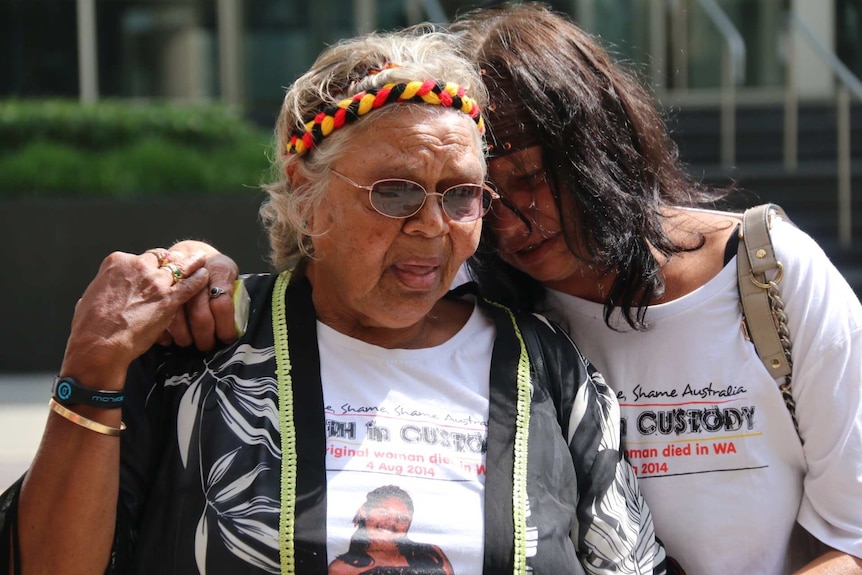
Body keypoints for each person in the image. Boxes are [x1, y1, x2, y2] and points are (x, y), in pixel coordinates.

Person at [169, 4, 862, 574]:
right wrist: (198, 270)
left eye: (531, 178)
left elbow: (851, 540)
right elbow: (345, 261)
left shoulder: (767, 277)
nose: (508, 218)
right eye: (487, 192)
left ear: (600, 149)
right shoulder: (485, 283)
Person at [0, 23, 672, 575]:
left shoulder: (545, 371)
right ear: (303, 192)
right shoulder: (198, 353)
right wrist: (92, 368)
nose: (432, 225)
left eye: (461, 193)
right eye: (396, 190)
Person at [328, 485, 453, 575]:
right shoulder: (342, 568)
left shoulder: (432, 554)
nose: (391, 523)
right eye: (383, 512)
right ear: (364, 512)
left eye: (401, 518)